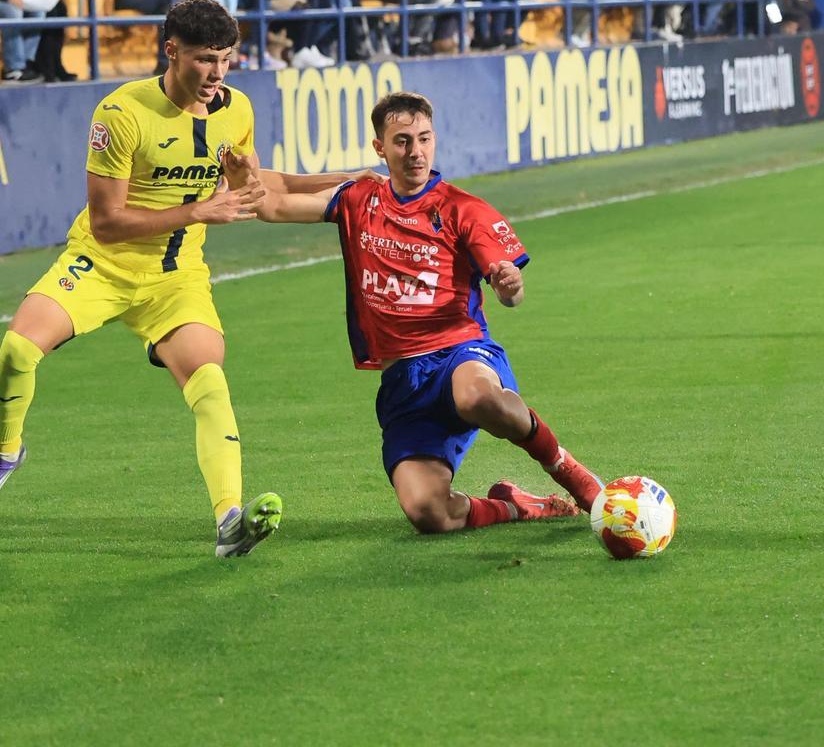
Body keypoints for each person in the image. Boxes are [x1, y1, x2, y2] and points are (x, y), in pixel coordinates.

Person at [0, 0, 373, 556]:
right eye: (204, 59)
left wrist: (349, 180)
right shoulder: (121, 114)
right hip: (102, 265)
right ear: (171, 50)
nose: (216, 73)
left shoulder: (235, 110)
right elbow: (106, 222)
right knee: (17, 351)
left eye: (226, 59)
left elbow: (256, 186)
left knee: (210, 381)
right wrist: (197, 212)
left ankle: (229, 521)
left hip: (176, 278)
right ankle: (6, 454)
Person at [225, 91, 605, 535]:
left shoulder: (463, 209)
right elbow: (270, 205)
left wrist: (508, 285)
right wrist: (238, 176)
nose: (416, 152)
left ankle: (570, 472)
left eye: (424, 138)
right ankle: (519, 506)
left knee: (477, 398)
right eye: (402, 141)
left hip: (460, 354)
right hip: (404, 380)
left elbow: (509, 294)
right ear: (380, 148)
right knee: (429, 513)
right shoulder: (358, 200)